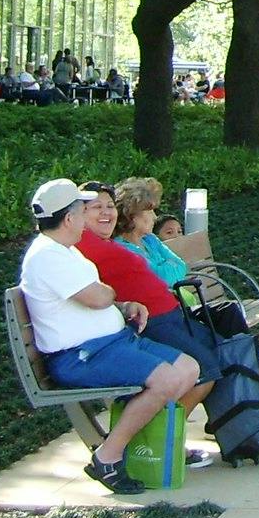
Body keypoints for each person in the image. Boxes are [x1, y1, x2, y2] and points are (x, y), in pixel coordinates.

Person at [18, 178, 201, 495]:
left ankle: (132, 443)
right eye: (81, 208)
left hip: (111, 343)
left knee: (189, 369)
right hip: (82, 355)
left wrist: (124, 303)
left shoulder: (66, 251)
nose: (87, 216)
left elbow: (98, 297)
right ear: (70, 217)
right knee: (168, 380)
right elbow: (97, 297)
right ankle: (107, 457)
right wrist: (111, 296)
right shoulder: (48, 256)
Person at [72, 180, 224, 457]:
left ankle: (226, 423)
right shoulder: (83, 245)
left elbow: (173, 269)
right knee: (205, 370)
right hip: (146, 325)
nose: (107, 212)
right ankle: (164, 443)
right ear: (78, 214)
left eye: (109, 206)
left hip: (166, 315)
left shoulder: (102, 242)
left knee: (219, 352)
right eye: (96, 207)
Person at [111, 177, 192, 286]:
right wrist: (168, 264)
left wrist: (164, 268)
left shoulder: (150, 239)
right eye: (150, 211)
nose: (155, 217)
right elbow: (161, 278)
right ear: (131, 215)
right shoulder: (122, 248)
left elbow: (181, 266)